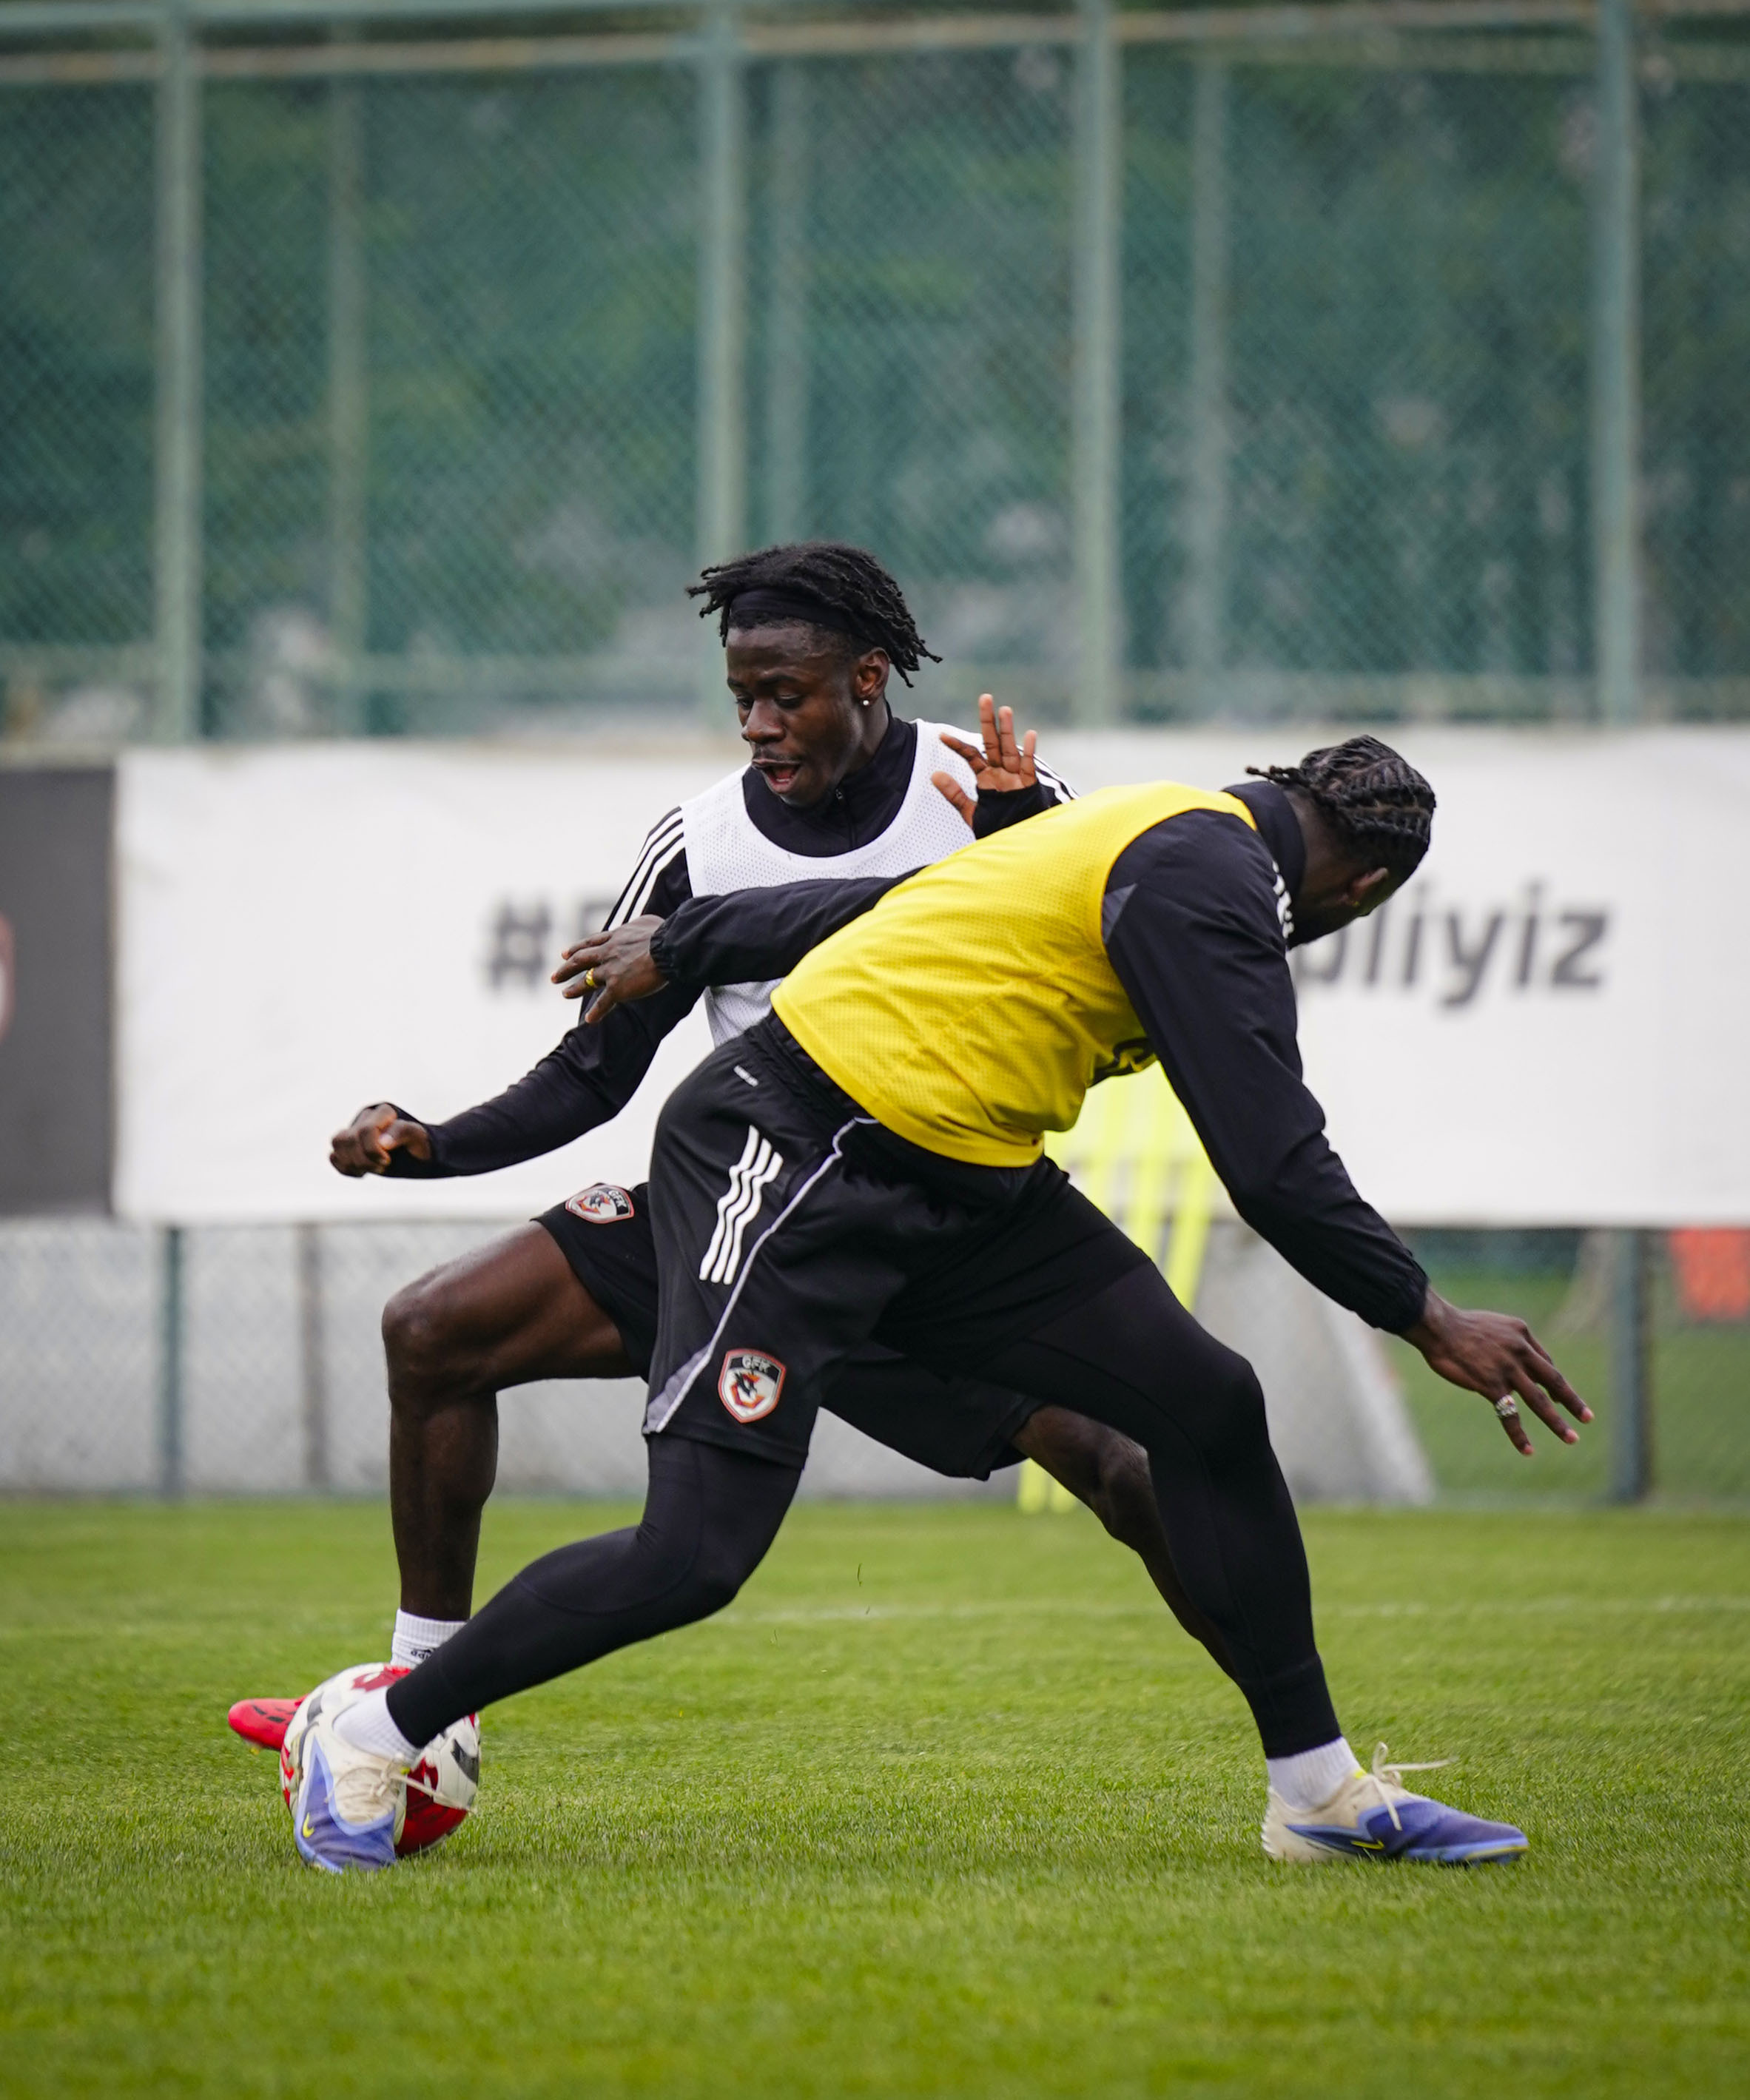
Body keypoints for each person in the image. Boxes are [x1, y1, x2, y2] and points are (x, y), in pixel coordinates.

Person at [292, 733, 1591, 1873]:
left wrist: (689, 940)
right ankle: (377, 1726)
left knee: (1207, 1402)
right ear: (1361, 891)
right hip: (796, 1151)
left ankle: (1315, 1793)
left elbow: (886, 901)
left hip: (963, 1180)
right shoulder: (1211, 880)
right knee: (692, 1556)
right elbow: (1270, 1162)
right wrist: (1426, 1315)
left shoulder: (1162, 824)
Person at [305, 542, 1219, 1695]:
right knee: (433, 1328)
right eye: (742, 698)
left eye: (785, 695)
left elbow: (1107, 973)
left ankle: (1308, 1758)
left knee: (1123, 1462)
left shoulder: (985, 795)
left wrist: (1025, 846)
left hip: (931, 1224)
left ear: (868, 676)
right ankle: (416, 1701)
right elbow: (591, 1074)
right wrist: (432, 1143)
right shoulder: (697, 843)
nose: (757, 725)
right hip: (738, 1208)